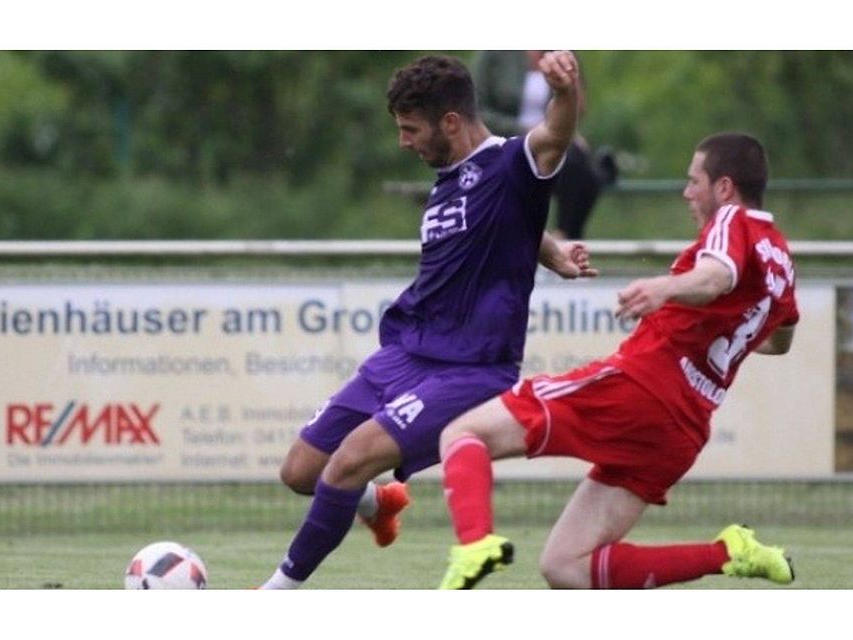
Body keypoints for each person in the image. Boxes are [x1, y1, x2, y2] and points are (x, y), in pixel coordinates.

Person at [260, 51, 597, 589]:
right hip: (404, 353)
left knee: (349, 461)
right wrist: (550, 250)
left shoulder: (512, 163)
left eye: (410, 129)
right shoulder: (448, 178)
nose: (403, 142)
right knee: (300, 471)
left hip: (468, 368)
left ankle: (273, 595)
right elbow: (503, 225)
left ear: (451, 122)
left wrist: (564, 89)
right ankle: (380, 504)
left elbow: (555, 136)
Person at [437, 131, 800, 589]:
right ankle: (728, 553)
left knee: (462, 432)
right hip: (682, 430)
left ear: (724, 187)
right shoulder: (782, 258)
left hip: (641, 389)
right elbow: (780, 341)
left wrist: (664, 288)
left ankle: (473, 545)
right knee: (565, 566)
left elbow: (714, 277)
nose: (687, 192)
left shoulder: (732, 219)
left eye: (694, 181)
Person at [472, 50, 618, 240]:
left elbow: (579, 107)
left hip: (552, 139)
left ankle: (564, 237)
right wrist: (526, 129)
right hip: (507, 140)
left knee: (576, 161)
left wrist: (568, 90)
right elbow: (476, 111)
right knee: (581, 170)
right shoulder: (494, 55)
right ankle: (564, 240)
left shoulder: (563, 52)